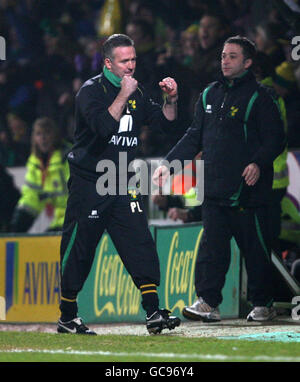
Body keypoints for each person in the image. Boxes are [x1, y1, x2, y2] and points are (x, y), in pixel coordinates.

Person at [153, 35, 285, 323]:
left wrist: (258, 163)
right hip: (213, 189)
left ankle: (263, 303)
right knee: (212, 251)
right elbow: (194, 136)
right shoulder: (208, 94)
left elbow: (276, 139)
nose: (225, 60)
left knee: (255, 250)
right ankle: (208, 303)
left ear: (248, 63)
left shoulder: (261, 97)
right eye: (223, 55)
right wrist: (169, 164)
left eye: (233, 56)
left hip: (248, 191)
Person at [57, 34, 181, 335]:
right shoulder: (90, 91)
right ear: (108, 63)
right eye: (124, 61)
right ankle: (68, 316)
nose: (130, 66)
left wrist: (171, 99)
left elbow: (166, 124)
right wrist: (123, 95)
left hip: (122, 180)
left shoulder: (137, 93)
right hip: (90, 181)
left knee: (139, 242)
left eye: (133, 59)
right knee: (80, 248)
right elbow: (102, 129)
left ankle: (153, 312)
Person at [9, 117, 70, 233]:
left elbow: (78, 194)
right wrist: (21, 215)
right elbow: (31, 196)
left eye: (47, 133)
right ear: (34, 138)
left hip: (73, 222)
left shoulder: (68, 158)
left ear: (55, 135)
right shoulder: (34, 162)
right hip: (52, 223)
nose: (43, 138)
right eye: (38, 134)